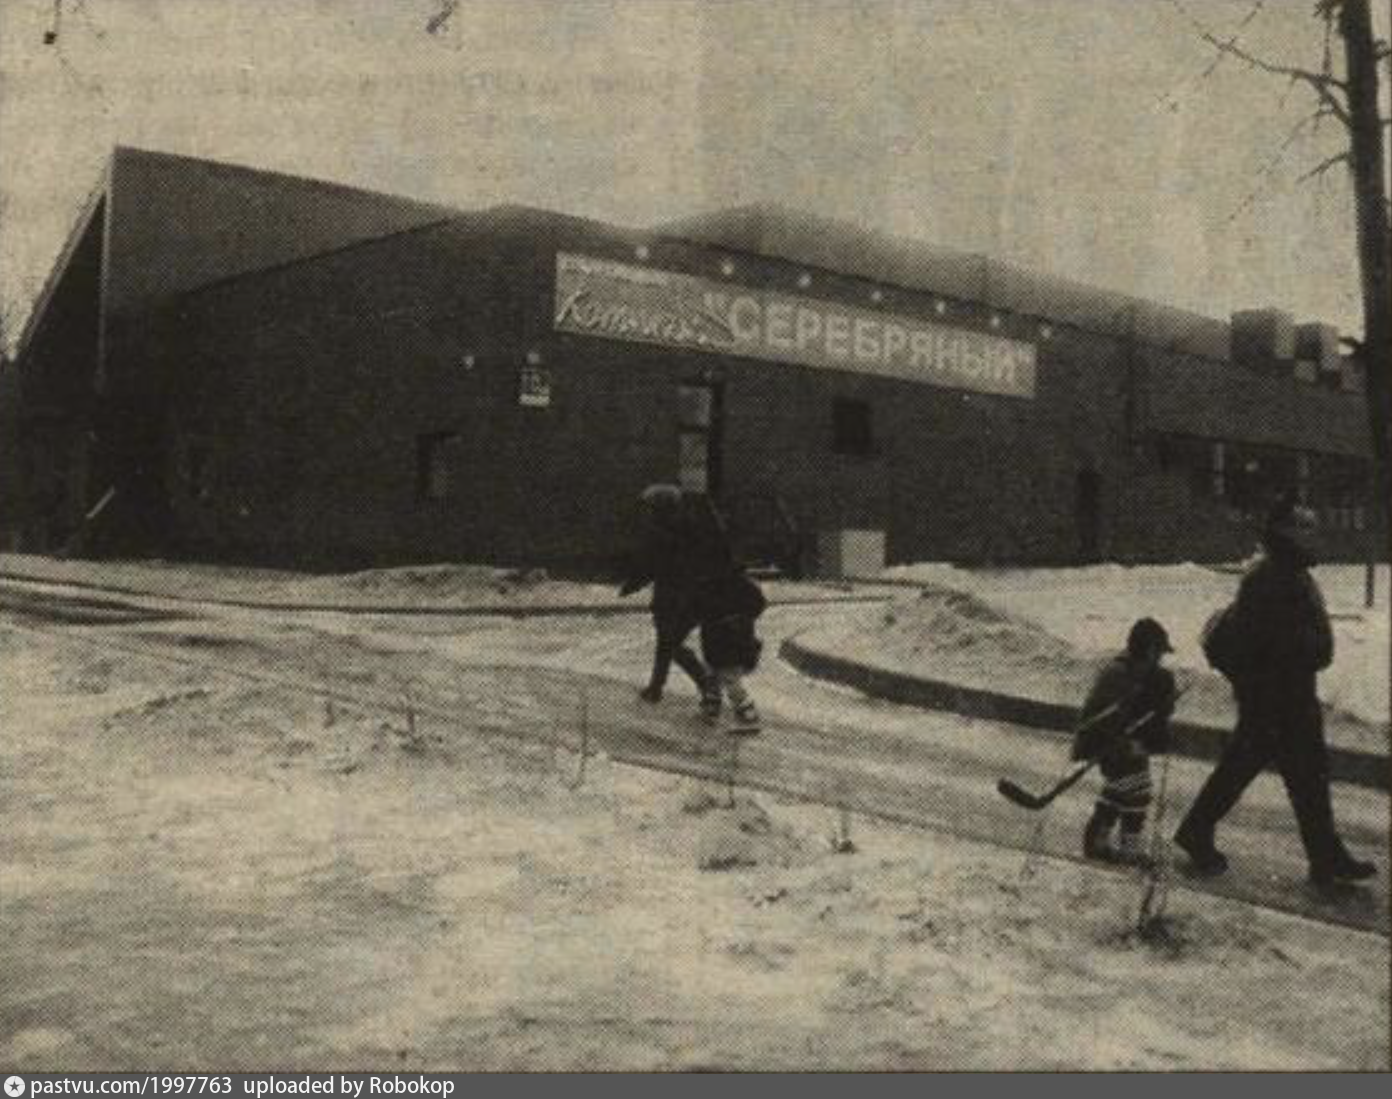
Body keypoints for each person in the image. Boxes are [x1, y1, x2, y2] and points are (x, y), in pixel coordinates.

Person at [1174, 496, 1376, 887]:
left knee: (1300, 775)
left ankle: (1325, 857)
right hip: (1275, 697)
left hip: (1289, 694)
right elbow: (1272, 642)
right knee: (1284, 773)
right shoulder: (1269, 578)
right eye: (1306, 526)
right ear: (1285, 531)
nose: (1315, 533)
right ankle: (1321, 857)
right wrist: (1314, 647)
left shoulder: (1291, 573)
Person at [1072, 618, 1176, 865]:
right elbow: (1102, 719)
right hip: (1106, 743)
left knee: (1129, 790)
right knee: (1135, 789)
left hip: (1123, 742)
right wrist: (1124, 746)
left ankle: (1101, 842)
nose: (1161, 659)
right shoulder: (1118, 675)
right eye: (1159, 652)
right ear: (1150, 650)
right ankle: (1117, 847)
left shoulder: (1135, 672)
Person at [618, 484, 723, 719]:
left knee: (669, 643)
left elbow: (650, 565)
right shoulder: (690, 527)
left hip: (678, 597)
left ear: (660, 509)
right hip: (689, 596)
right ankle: (660, 687)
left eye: (651, 508)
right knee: (668, 643)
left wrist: (630, 585)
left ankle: (707, 685)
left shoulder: (663, 532)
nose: (648, 513)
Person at [695, 563, 767, 734]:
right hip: (716, 638)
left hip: (732, 640)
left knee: (729, 678)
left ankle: (749, 716)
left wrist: (739, 620)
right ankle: (711, 708)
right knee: (711, 673)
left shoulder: (737, 584)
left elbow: (758, 604)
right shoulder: (711, 582)